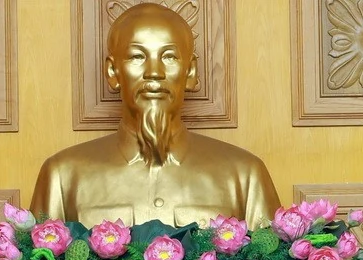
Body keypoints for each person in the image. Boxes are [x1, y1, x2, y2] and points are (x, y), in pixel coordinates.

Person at [29, 3, 280, 228]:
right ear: (113, 72)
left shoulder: (245, 176)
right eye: (137, 56)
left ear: (190, 72)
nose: (154, 72)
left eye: (169, 57)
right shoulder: (62, 177)